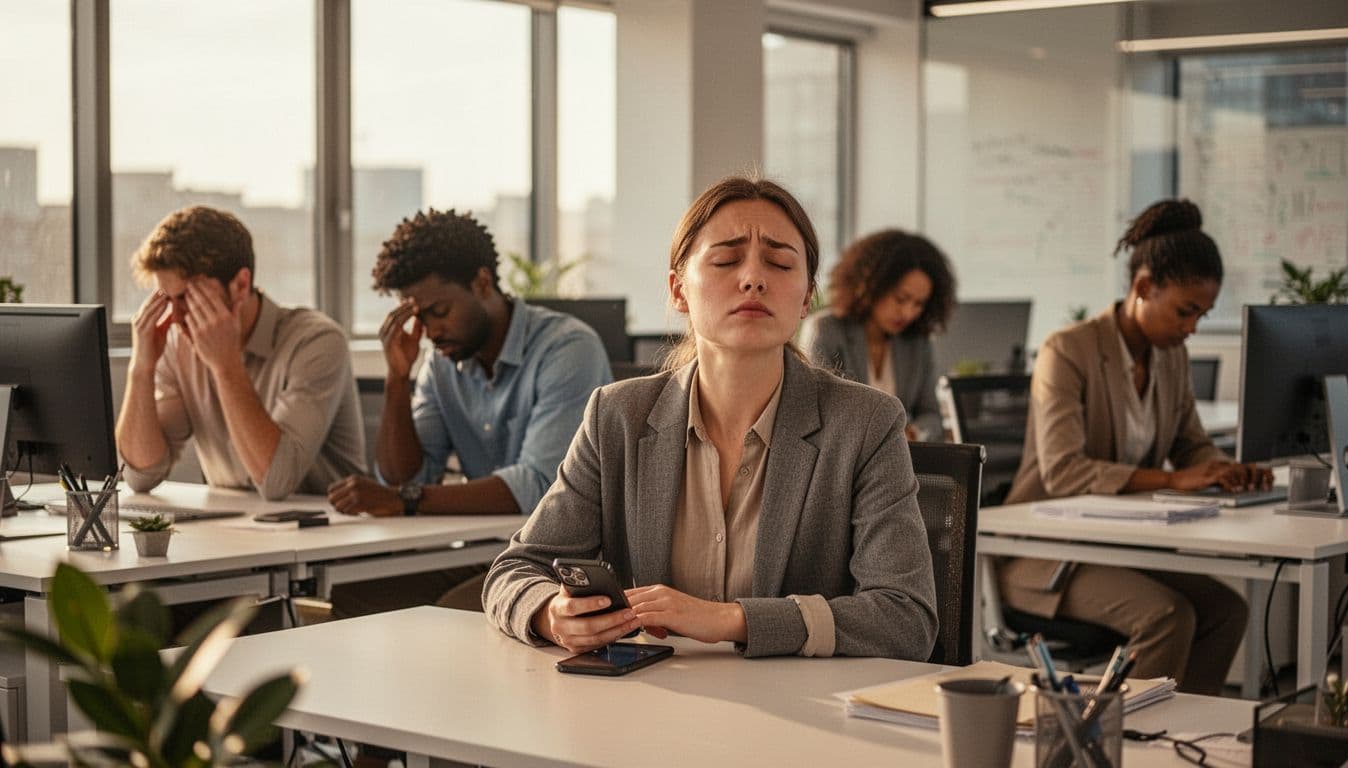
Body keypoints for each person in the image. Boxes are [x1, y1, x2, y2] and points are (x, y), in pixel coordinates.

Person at [483, 176, 938, 659]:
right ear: (678, 290)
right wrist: (549, 613)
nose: (753, 279)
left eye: (781, 263)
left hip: (801, 715)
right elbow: (513, 573)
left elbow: (905, 617)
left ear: (807, 299)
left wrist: (730, 620)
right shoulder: (617, 416)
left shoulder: (866, 423)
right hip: (651, 709)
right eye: (725, 260)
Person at [1000, 199, 1270, 695]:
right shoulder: (1069, 350)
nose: (1191, 328)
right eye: (1185, 311)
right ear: (1144, 287)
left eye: (1202, 315)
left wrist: (1224, 470)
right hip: (1047, 558)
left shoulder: (1171, 357)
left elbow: (1192, 447)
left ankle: (1184, 737)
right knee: (1168, 616)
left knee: (1227, 611)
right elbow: (1063, 471)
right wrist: (1172, 480)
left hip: (1119, 547)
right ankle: (1127, 743)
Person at [325, 208, 612, 616]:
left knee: (444, 611)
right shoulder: (441, 365)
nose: (429, 332)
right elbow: (407, 476)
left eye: (439, 312)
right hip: (482, 551)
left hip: (558, 561)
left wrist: (405, 500)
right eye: (418, 318)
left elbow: (538, 486)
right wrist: (396, 379)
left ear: (482, 283)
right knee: (354, 597)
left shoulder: (567, 349)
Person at [118, 205, 365, 500]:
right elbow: (140, 475)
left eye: (187, 298)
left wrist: (226, 365)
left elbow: (277, 481)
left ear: (240, 285)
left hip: (329, 534)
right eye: (166, 300)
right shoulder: (177, 341)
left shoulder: (317, 341)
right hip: (237, 532)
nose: (176, 317)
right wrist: (141, 369)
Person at [803, 229, 956, 440]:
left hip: (901, 461)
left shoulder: (918, 343)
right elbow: (815, 411)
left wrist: (912, 432)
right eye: (901, 299)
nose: (908, 312)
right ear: (871, 286)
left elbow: (932, 416)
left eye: (919, 304)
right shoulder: (827, 329)